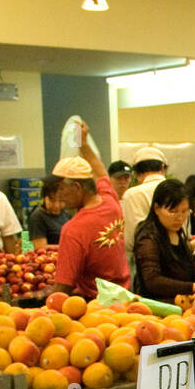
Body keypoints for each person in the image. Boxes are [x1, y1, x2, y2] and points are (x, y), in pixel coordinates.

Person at [50, 122, 128, 297]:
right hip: (124, 298)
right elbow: (100, 172)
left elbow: (63, 286)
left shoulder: (73, 229)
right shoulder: (110, 200)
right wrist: (83, 143)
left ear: (77, 187)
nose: (58, 196)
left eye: (61, 189)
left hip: (93, 307)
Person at [133, 179, 195, 300]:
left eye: (184, 211)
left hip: (182, 306)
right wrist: (193, 287)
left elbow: (182, 270)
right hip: (157, 310)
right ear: (157, 208)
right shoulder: (148, 238)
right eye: (173, 212)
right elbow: (153, 281)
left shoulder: (176, 231)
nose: (180, 218)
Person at [122, 147, 171, 257]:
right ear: (163, 168)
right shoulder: (178, 190)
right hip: (177, 259)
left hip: (145, 259)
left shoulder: (131, 195)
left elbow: (130, 241)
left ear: (137, 172)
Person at [26, 176, 71, 248]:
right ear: (44, 198)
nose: (57, 206)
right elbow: (40, 247)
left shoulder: (66, 214)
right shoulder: (38, 216)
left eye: (61, 201)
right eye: (52, 201)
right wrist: (68, 247)